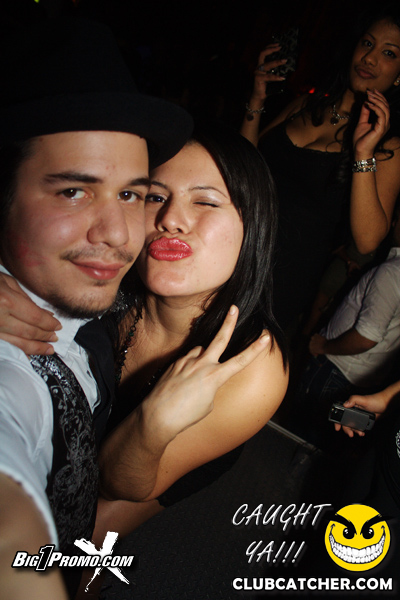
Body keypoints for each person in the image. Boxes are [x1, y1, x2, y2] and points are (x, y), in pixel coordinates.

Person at [0, 18, 271, 600]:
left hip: (152, 466)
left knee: (83, 556)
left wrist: (155, 423)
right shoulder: (105, 279)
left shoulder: (252, 369)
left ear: (254, 228)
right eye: (152, 196)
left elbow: (118, 486)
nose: (168, 220)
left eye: (206, 202)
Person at [240, 3, 400, 331]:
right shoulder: (307, 103)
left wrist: (363, 152)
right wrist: (256, 100)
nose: (370, 58)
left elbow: (367, 241)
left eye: (389, 53)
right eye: (367, 43)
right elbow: (243, 165)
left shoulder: (388, 146)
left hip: (281, 278)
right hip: (236, 245)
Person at [289, 205, 400, 449]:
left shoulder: (392, 273)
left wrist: (323, 346)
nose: (393, 224)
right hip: (362, 376)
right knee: (322, 444)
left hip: (336, 371)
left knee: (297, 439)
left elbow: (366, 337)